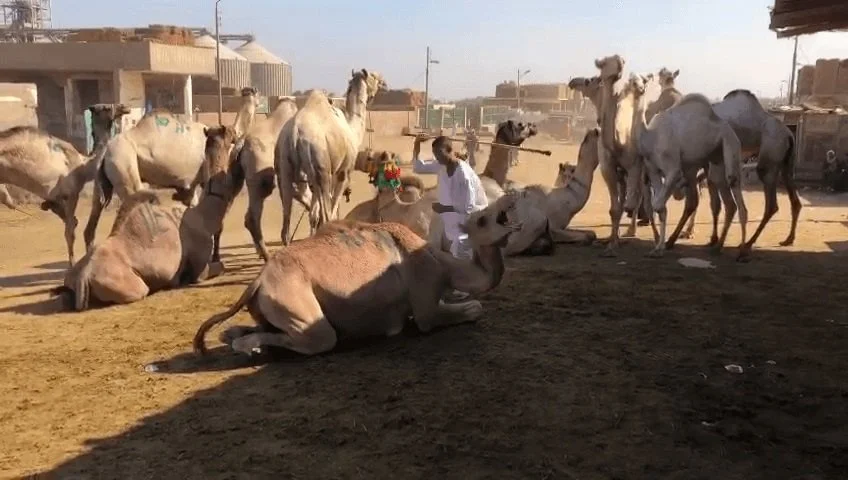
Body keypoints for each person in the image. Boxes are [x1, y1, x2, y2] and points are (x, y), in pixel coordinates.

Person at [412, 134, 488, 302]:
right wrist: (417, 144)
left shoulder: (464, 174)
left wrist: (443, 208)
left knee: (460, 248)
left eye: (439, 154)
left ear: (450, 151)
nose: (437, 158)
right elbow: (418, 167)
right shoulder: (441, 166)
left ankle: (466, 287)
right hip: (451, 217)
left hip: (472, 218)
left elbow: (468, 207)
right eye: (435, 154)